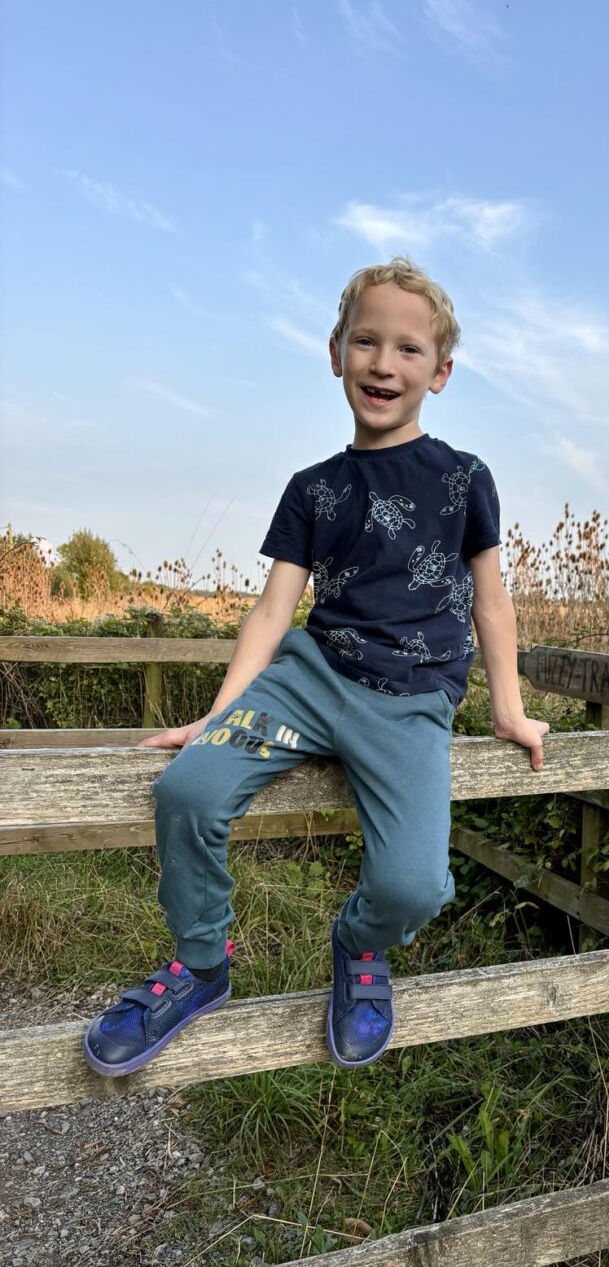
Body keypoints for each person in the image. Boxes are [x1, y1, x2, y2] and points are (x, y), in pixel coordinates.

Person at [83, 256, 550, 1076]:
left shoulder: (464, 479)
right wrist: (219, 714)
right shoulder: (313, 488)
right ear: (335, 352)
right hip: (311, 680)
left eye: (408, 350)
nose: (383, 363)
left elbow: (492, 602)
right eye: (365, 341)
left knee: (411, 887)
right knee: (186, 789)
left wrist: (505, 709)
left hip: (409, 700)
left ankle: (359, 942)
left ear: (440, 373)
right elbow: (273, 609)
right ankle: (199, 965)